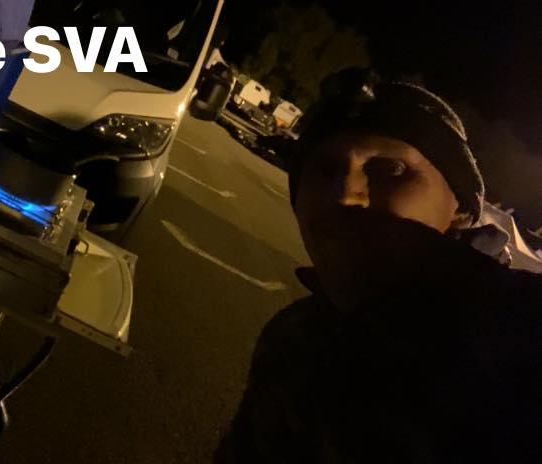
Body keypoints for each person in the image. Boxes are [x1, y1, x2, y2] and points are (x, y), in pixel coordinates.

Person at [216, 70, 542, 463]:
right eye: (325, 169)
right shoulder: (294, 336)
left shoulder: (519, 349)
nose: (345, 194)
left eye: (391, 170)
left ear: (460, 207)